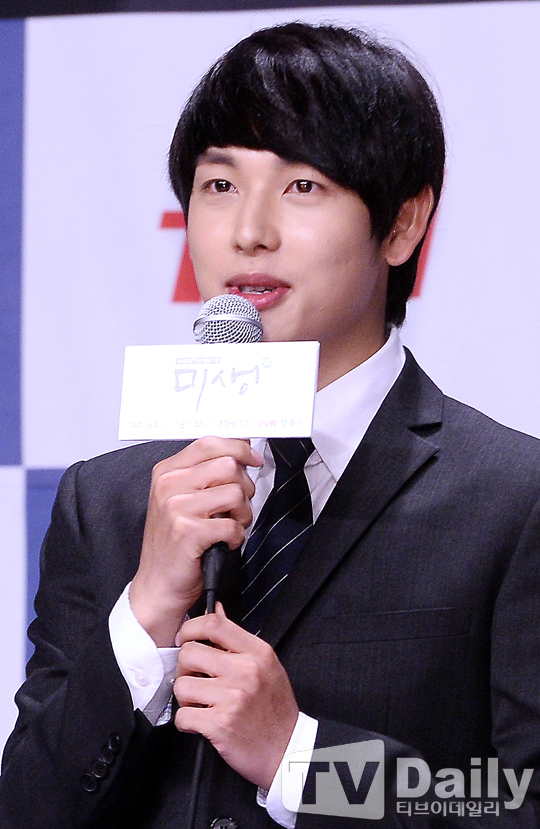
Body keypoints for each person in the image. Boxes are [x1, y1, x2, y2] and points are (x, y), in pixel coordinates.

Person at [1, 20, 540, 829]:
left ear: (403, 222)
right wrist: (145, 615)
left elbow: (522, 803)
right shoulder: (107, 502)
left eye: (302, 187)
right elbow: (25, 810)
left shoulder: (514, 498)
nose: (248, 230)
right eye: (220, 184)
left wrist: (302, 759)